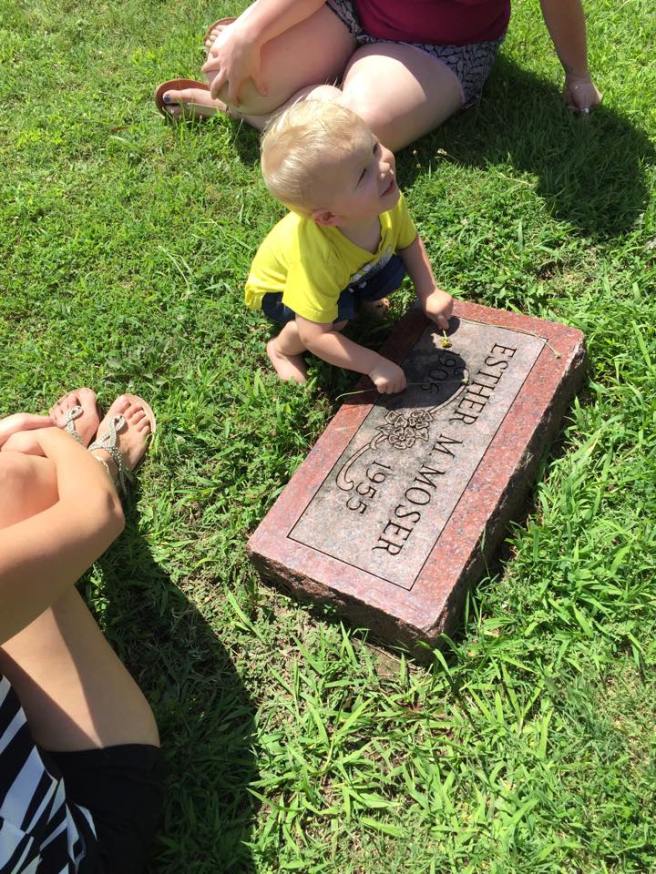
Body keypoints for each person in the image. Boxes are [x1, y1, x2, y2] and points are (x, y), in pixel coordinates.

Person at [0, 388, 162, 873]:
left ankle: (69, 473)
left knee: (11, 483)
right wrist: (52, 438)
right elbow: (98, 515)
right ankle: (99, 466)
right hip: (78, 833)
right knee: (12, 481)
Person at [156, 0, 602, 152]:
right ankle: (255, 102)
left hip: (440, 48)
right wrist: (250, 32)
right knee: (243, 80)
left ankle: (237, 111)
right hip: (351, 8)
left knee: (349, 134)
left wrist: (577, 75)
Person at [245, 98, 453, 391]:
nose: (383, 166)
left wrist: (429, 292)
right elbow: (314, 335)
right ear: (328, 217)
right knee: (337, 319)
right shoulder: (318, 258)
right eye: (362, 174)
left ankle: (358, 298)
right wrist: (374, 364)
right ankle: (281, 349)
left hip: (347, 272)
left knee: (393, 270)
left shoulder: (386, 198)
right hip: (280, 291)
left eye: (374, 148)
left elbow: (408, 242)